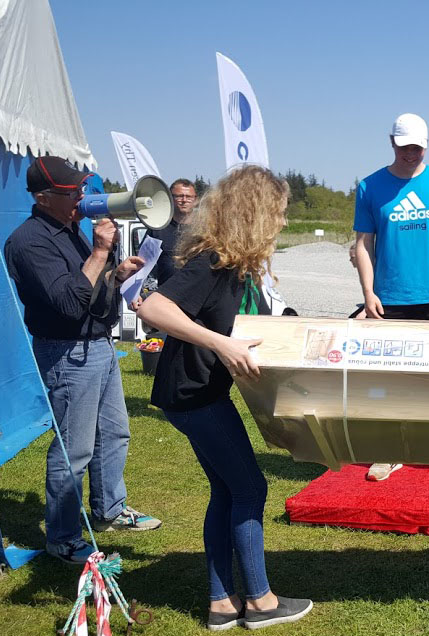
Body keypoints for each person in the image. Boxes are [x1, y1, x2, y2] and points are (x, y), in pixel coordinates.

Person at [137, 166, 312, 630]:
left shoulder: (233, 263)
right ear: (254, 212)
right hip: (195, 397)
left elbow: (252, 319)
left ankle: (220, 603)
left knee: (226, 489)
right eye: (278, 212)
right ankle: (260, 602)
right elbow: (152, 307)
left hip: (191, 395)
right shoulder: (213, 259)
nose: (282, 221)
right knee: (251, 488)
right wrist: (221, 344)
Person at [3, 156, 161, 564]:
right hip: (67, 353)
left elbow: (91, 288)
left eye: (80, 188)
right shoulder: (28, 242)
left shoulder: (75, 230)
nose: (80, 196)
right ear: (42, 198)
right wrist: (100, 251)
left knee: (114, 433)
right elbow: (70, 302)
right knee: (73, 450)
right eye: (69, 192)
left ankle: (109, 509)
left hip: (99, 346)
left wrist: (118, 272)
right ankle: (63, 537)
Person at [352, 113, 429, 482]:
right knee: (391, 380)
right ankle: (390, 450)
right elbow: (363, 244)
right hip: (390, 299)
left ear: (427, 145)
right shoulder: (370, 187)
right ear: (392, 143)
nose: (411, 154)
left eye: (417, 147)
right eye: (404, 147)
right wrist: (368, 293)